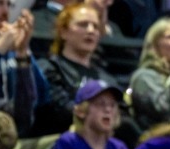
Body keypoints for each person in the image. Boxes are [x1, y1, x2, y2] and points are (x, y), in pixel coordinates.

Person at [35, 2, 118, 138]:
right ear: (63, 32)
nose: (91, 30)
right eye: (83, 24)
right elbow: (59, 110)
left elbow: (122, 112)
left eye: (96, 27)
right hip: (58, 139)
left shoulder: (106, 78)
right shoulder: (49, 68)